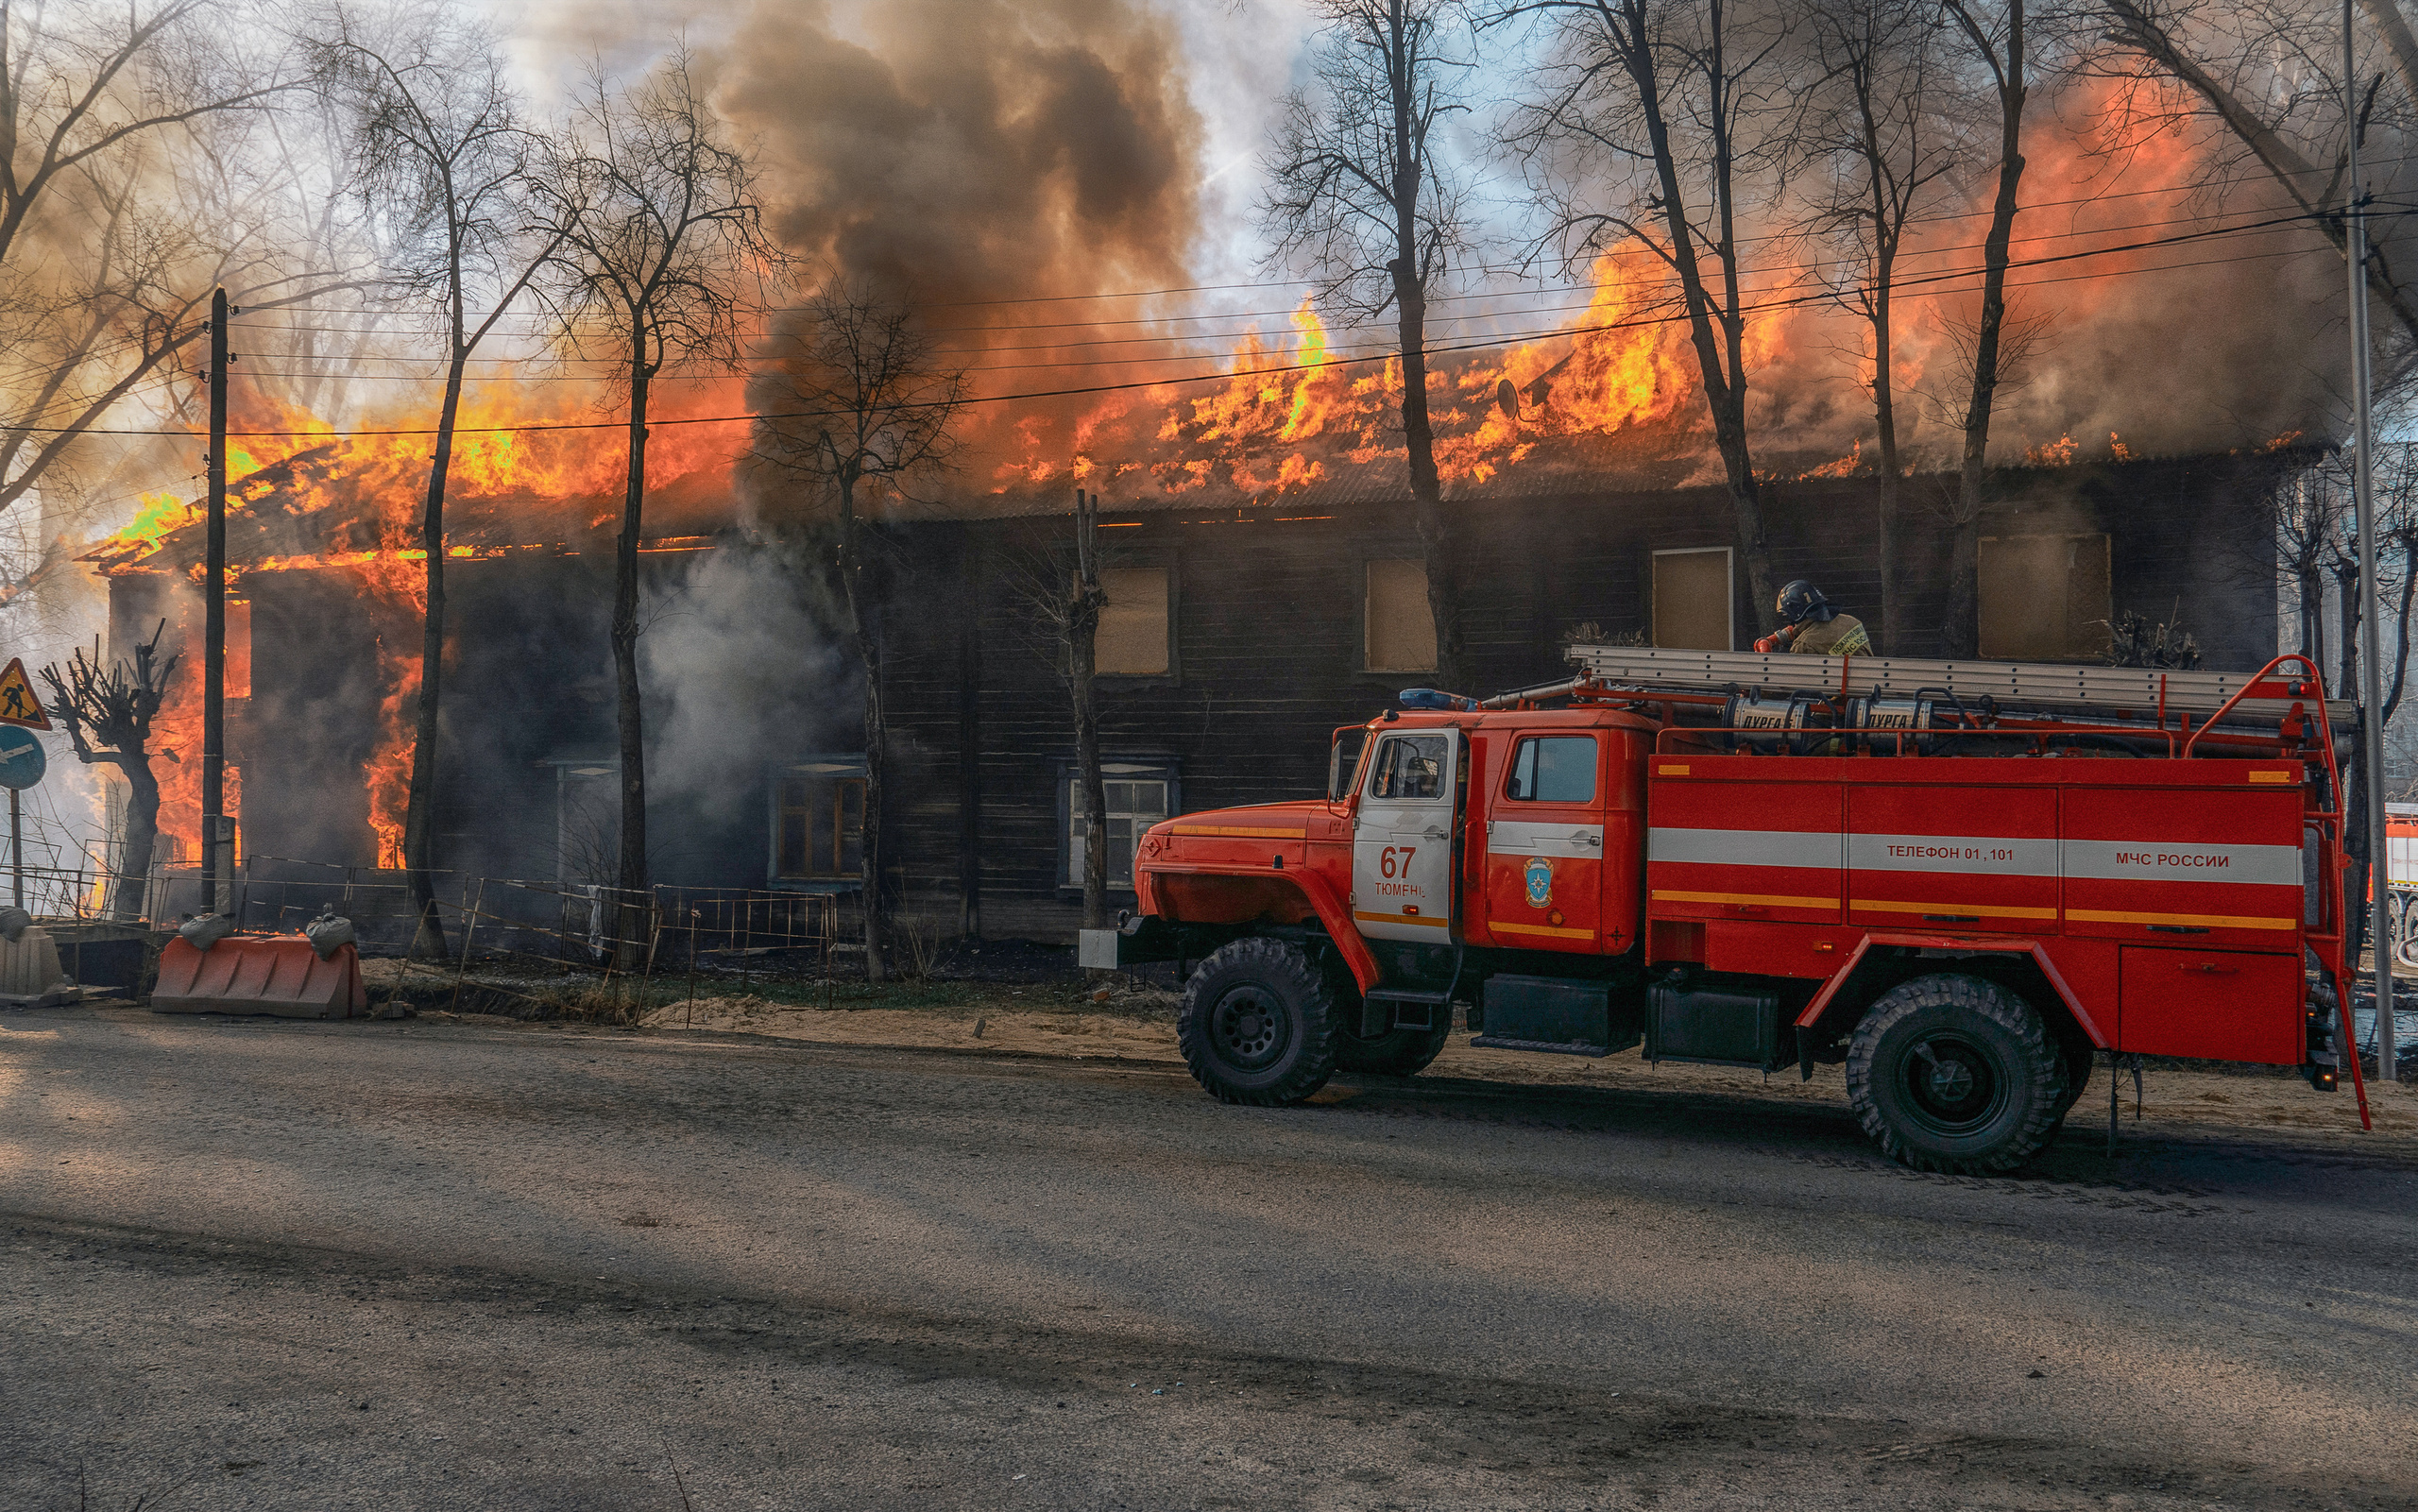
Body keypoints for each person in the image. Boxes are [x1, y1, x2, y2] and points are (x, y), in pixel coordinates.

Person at [1753, 580, 1871, 655]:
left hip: (1833, 694)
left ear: (1796, 612)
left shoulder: (1804, 645)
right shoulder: (1852, 621)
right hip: (1871, 689)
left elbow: (1792, 683)